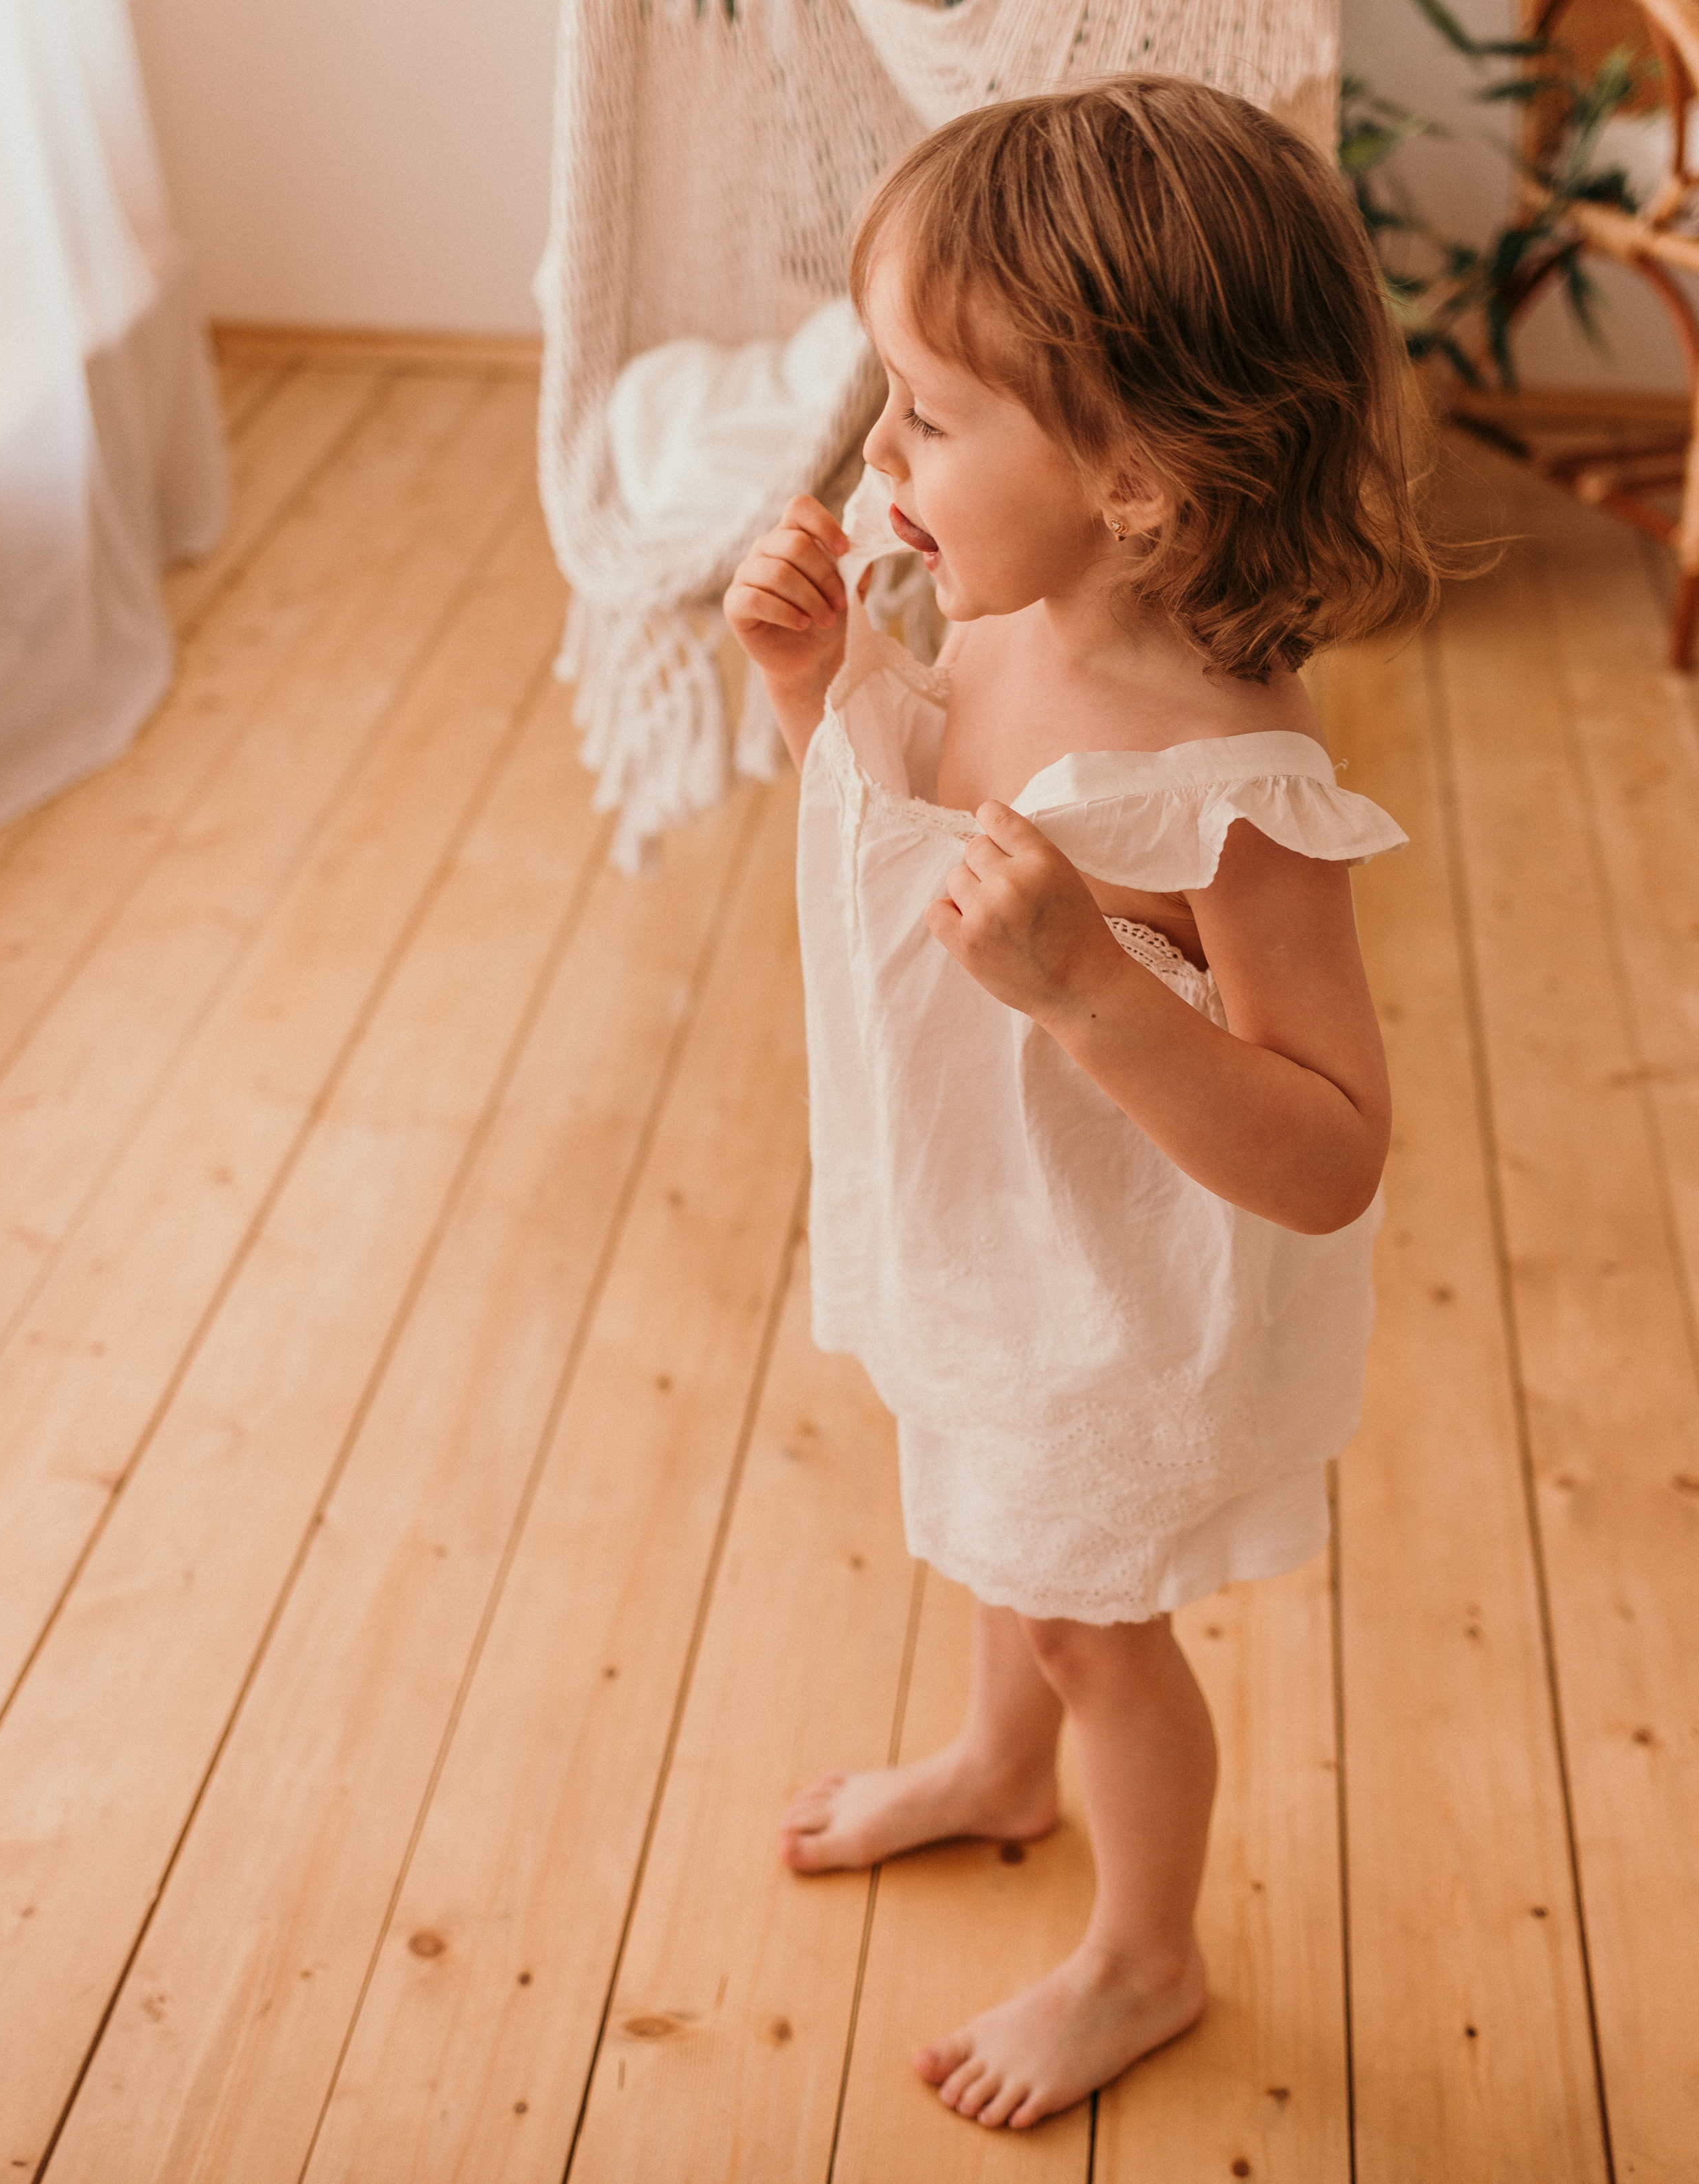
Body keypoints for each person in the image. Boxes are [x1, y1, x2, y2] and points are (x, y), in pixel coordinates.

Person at [723, 75, 1437, 2132]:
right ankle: (996, 1769)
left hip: (1115, 1297)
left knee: (1093, 1622)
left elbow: (1330, 1151)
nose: (880, 456)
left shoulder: (1239, 782)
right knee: (1001, 1546)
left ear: (1136, 482)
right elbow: (927, 823)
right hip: (992, 1234)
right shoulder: (1009, 608)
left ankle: (1145, 1955)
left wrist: (1092, 998)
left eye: (930, 416)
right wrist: (830, 690)